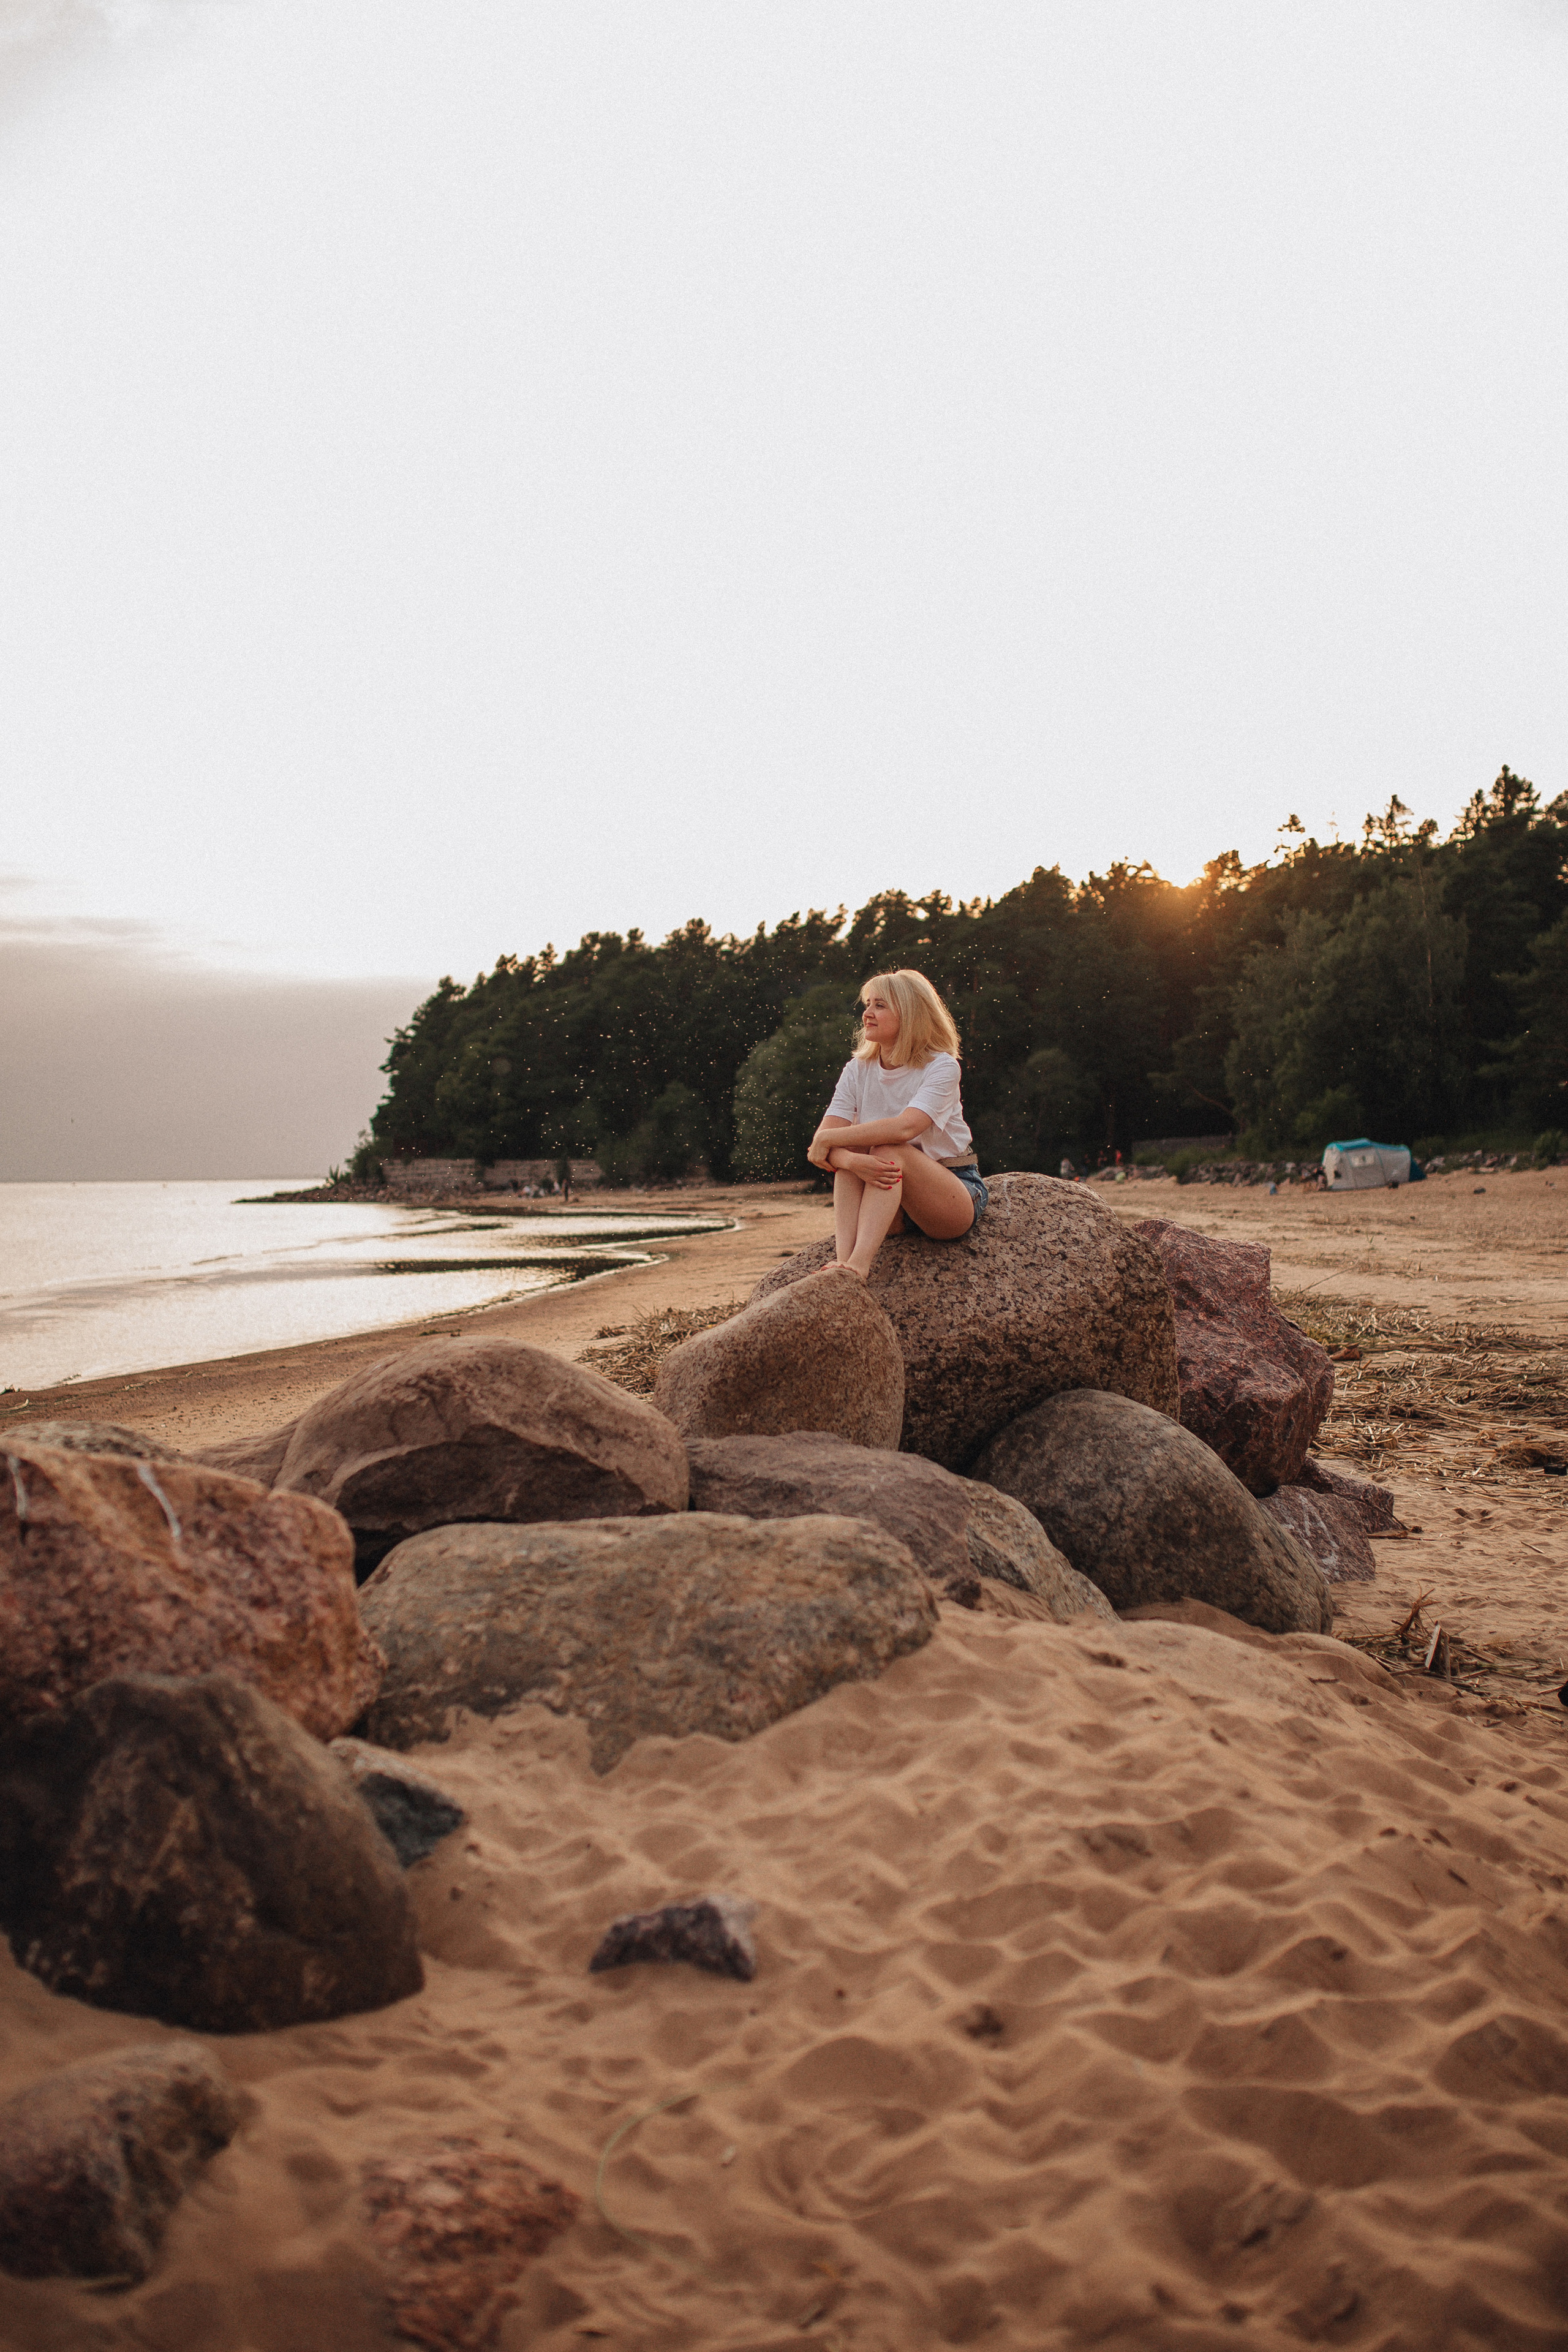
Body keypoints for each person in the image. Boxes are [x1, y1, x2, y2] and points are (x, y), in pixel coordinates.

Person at [807, 969, 988, 1277]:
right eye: (867, 1004)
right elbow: (821, 1146)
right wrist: (850, 1159)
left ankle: (859, 1266)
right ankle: (843, 1262)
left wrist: (830, 1144)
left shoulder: (941, 1066)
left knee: (891, 1147)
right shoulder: (857, 1069)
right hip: (892, 1210)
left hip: (949, 1193)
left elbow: (906, 1128)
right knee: (854, 1151)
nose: (867, 1014)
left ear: (910, 1013)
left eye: (880, 1005)